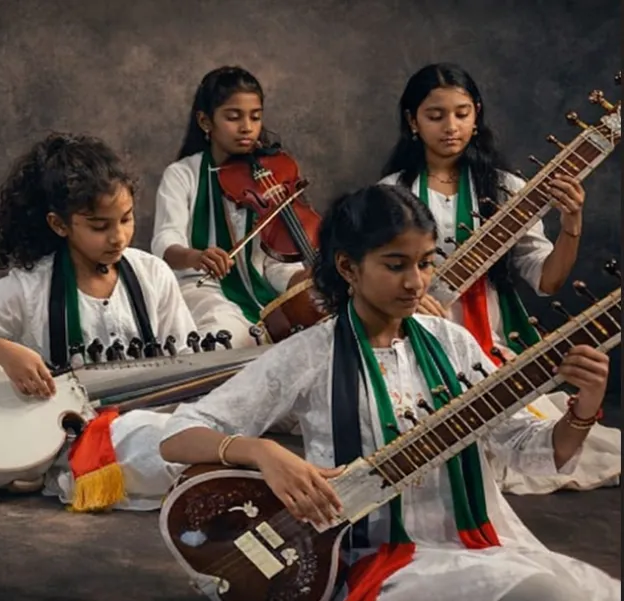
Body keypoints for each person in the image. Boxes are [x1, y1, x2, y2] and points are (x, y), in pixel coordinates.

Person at [160, 184, 619, 601]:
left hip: (477, 542)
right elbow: (179, 434)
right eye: (396, 265)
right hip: (365, 560)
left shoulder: (451, 342)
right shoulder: (309, 354)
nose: (416, 282)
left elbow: (526, 453)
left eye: (425, 263)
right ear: (347, 267)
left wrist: (585, 407)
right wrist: (261, 452)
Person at [0, 132, 197, 511]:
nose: (118, 237)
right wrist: (1, 352)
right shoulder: (32, 287)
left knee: (193, 435)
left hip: (148, 419)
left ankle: (53, 471)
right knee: (177, 452)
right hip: (70, 436)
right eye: (99, 226)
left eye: (126, 219)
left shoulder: (153, 274)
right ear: (60, 224)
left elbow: (186, 359)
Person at [379, 62, 617, 494]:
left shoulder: (507, 189)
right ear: (412, 121)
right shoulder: (390, 193)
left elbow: (547, 281)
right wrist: (407, 299)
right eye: (435, 116)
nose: (451, 127)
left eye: (462, 113)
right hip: (410, 345)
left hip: (486, 349)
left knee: (538, 444)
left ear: (477, 115)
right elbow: (369, 279)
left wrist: (571, 222)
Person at [151, 66, 304, 349]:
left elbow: (273, 263)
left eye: (255, 117)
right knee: (230, 339)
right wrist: (196, 256)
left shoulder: (271, 176)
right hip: (202, 287)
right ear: (205, 121)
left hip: (263, 289)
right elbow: (165, 243)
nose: (247, 127)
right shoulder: (182, 174)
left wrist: (301, 280)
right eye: (234, 117)